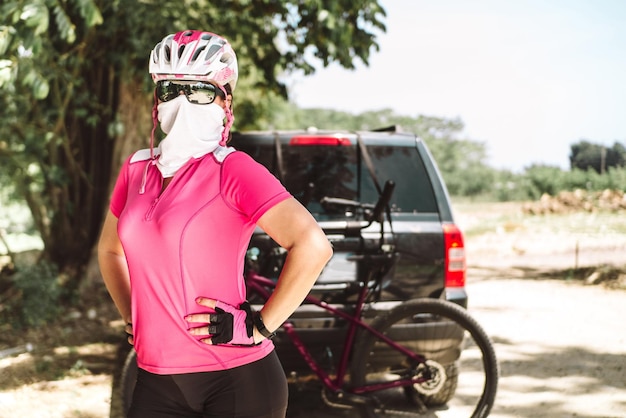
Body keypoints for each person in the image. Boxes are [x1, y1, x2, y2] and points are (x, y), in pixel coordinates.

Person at [98, 29, 333, 418]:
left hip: (237, 379)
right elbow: (110, 250)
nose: (184, 103)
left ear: (226, 100)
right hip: (156, 380)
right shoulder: (136, 169)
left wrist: (258, 326)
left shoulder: (232, 170)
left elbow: (313, 245)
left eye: (200, 92)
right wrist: (132, 313)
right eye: (171, 91)